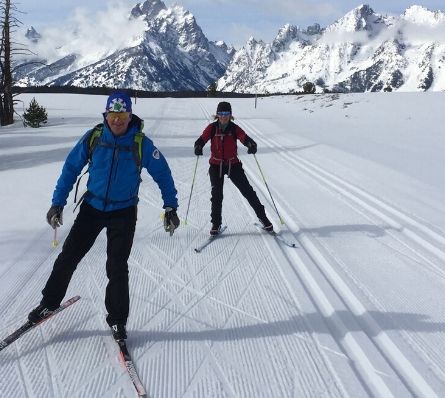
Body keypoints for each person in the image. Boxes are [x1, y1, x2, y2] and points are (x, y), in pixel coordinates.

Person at [28, 91, 180, 341]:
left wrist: (170, 207)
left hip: (124, 212)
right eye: (112, 115)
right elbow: (70, 168)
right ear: (106, 115)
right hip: (92, 208)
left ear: (129, 115)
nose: (117, 120)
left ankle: (118, 321)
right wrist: (57, 203)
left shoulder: (141, 143)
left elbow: (163, 174)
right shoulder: (94, 138)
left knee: (117, 267)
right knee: (68, 257)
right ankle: (49, 303)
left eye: (121, 115)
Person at [193, 101, 273, 236]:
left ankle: (264, 219)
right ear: (217, 115)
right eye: (221, 113)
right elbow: (201, 140)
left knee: (248, 192)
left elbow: (244, 138)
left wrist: (251, 144)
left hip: (233, 165)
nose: (224, 116)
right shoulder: (212, 128)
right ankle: (216, 224)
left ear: (230, 115)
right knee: (217, 195)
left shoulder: (234, 128)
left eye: (227, 114)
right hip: (216, 166)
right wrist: (198, 147)